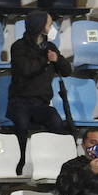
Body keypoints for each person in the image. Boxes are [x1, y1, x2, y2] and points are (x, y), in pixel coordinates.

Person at [6, 11, 73, 161]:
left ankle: (60, 160)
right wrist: (45, 61)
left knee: (56, 121)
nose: (51, 27)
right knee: (21, 125)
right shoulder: (18, 47)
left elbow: (67, 71)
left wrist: (58, 60)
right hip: (20, 102)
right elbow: (25, 69)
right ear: (39, 26)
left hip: (41, 104)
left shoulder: (50, 48)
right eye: (49, 24)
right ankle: (20, 161)